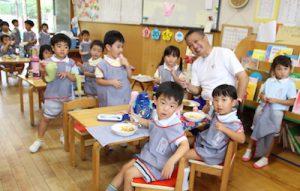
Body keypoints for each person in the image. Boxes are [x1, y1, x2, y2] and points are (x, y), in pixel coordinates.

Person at [106, 81, 190, 191]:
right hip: (149, 157)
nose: (166, 108)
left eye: (171, 106)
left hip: (160, 165)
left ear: (178, 107)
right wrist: (131, 115)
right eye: (163, 103)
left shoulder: (174, 125)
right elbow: (149, 124)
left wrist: (172, 161)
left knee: (128, 174)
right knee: (125, 168)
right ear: (155, 100)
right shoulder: (158, 116)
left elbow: (185, 145)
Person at [183, 84, 245, 187]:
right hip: (205, 142)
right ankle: (187, 171)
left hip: (212, 152)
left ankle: (184, 184)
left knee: (183, 155)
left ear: (233, 102)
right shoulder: (220, 114)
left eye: (224, 100)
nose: (219, 104)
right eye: (216, 100)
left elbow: (242, 139)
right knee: (183, 141)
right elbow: (206, 117)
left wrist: (224, 129)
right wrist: (206, 108)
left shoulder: (233, 122)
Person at [242, 55, 297, 169]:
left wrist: (275, 100)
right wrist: (263, 97)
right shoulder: (269, 81)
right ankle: (249, 149)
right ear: (273, 70)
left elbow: (292, 102)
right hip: (262, 108)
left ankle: (265, 157)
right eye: (279, 69)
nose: (282, 72)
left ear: (290, 69)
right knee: (255, 129)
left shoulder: (290, 84)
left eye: (285, 69)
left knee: (271, 135)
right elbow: (262, 93)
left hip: (276, 112)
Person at [29, 33, 78, 153]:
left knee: (67, 119)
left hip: (68, 96)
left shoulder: (71, 62)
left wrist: (67, 74)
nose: (62, 49)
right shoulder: (47, 62)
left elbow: (76, 78)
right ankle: (39, 140)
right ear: (52, 47)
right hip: (52, 96)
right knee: (46, 119)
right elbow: (46, 80)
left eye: (66, 47)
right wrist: (42, 72)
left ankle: (64, 135)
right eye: (59, 46)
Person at [183, 29, 249, 111]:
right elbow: (197, 90)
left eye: (196, 41)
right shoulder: (196, 64)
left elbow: (243, 77)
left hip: (225, 107)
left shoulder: (224, 53)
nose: (195, 46)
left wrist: (237, 101)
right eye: (190, 45)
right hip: (207, 106)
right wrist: (187, 85)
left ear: (206, 38)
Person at [95, 30, 132, 107]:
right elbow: (98, 81)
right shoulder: (102, 64)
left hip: (124, 96)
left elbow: (129, 76)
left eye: (122, 47)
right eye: (118, 47)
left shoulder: (122, 61)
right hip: (110, 99)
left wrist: (127, 65)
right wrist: (111, 82)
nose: (121, 50)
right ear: (108, 47)